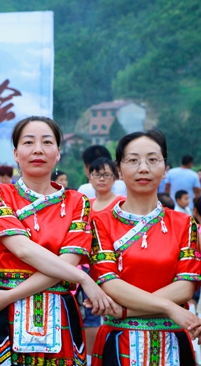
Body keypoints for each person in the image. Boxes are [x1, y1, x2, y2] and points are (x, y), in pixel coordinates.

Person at [0, 116, 116, 365]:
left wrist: (10, 296)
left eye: (47, 142)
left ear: (58, 153)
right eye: (29, 142)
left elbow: (68, 262)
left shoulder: (77, 202)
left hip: (50, 311)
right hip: (3, 314)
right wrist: (83, 278)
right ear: (16, 153)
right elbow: (22, 249)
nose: (38, 149)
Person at [89, 130, 201, 365]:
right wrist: (170, 308)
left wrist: (124, 311)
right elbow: (109, 284)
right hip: (119, 341)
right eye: (133, 160)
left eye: (152, 159)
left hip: (172, 341)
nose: (143, 168)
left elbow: (185, 287)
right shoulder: (101, 222)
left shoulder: (184, 223)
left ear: (165, 168)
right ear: (119, 170)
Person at [83, 157, 125, 361]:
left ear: (115, 177)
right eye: (96, 174)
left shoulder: (121, 204)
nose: (101, 179)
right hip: (86, 268)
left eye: (106, 175)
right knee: (88, 315)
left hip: (114, 269)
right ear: (90, 177)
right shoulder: (86, 205)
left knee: (107, 313)